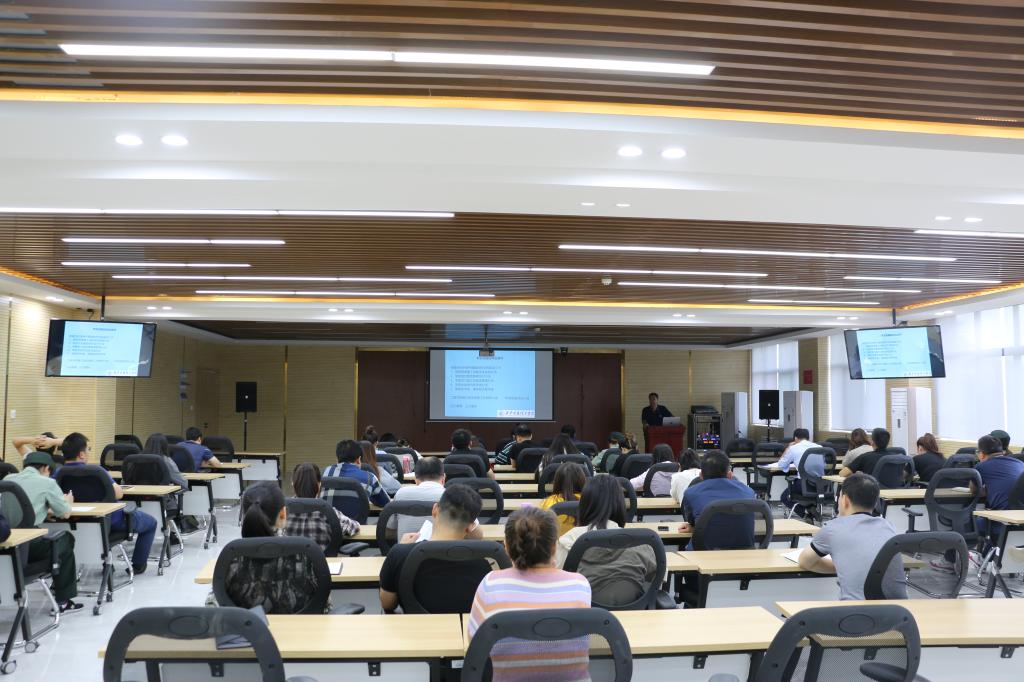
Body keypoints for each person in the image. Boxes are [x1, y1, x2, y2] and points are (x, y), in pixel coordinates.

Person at [468, 507, 591, 682]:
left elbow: (476, 643)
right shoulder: (579, 584)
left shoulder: (491, 584)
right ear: (554, 546)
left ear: (506, 546)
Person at [213, 481, 326, 614]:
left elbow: (216, 604)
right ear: (283, 514)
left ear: (244, 515)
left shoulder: (231, 558)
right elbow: (324, 604)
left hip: (246, 627)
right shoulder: (306, 556)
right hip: (303, 627)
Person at [378, 484, 488, 614]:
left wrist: (401, 549)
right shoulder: (482, 564)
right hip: (462, 627)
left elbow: (387, 603)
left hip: (416, 626)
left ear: (435, 510)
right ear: (470, 527)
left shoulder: (400, 553)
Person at [61, 433, 159, 575]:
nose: (89, 453)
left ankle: (107, 562)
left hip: (73, 521)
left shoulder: (58, 473)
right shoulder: (96, 471)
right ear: (81, 454)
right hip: (111, 520)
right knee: (151, 523)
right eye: (88, 449)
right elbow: (118, 494)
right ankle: (138, 565)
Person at [798, 473, 907, 600]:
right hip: (898, 609)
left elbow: (805, 562)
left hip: (855, 609)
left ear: (845, 500)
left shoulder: (832, 528)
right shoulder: (888, 526)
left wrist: (843, 567)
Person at [556, 474, 658, 606]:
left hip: (583, 616)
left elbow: (556, 580)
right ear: (620, 505)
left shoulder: (568, 541)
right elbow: (658, 579)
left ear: (584, 505)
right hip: (633, 615)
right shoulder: (641, 542)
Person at [6, 451, 82, 612]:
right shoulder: (47, 483)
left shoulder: (8, 479)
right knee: (65, 539)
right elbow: (65, 513)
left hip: (6, 541)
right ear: (46, 468)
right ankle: (63, 600)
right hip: (29, 545)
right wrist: (68, 502)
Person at [679, 450, 756, 550]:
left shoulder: (691, 493)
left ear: (701, 476)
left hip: (703, 555)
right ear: (730, 475)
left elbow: (691, 521)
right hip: (744, 554)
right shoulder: (749, 492)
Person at [283, 462, 359, 552]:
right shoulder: (328, 511)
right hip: (322, 560)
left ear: (293, 485)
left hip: (290, 561)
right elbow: (353, 527)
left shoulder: (282, 511)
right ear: (319, 485)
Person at [973, 434, 1024, 553]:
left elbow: (975, 490)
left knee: (969, 522)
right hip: (1020, 520)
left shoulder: (981, 466)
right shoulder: (1020, 463)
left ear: (981, 454)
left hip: (1002, 522)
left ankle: (952, 559)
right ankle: (988, 555)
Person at [387, 456, 447, 537]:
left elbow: (390, 527)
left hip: (406, 545)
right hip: (440, 545)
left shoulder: (401, 494)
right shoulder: (451, 496)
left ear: (415, 479)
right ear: (444, 478)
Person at [323, 439, 391, 509]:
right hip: (355, 516)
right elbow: (385, 503)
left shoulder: (323, 472)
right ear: (359, 460)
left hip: (326, 516)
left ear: (337, 459)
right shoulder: (370, 478)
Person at [777, 428, 822, 515]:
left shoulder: (793, 448)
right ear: (808, 437)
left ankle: (805, 513)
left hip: (803, 484)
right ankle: (811, 508)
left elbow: (781, 465)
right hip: (821, 485)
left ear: (795, 438)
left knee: (784, 497)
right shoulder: (819, 447)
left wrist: (788, 448)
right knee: (807, 494)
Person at [141, 433, 187, 516]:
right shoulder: (166, 461)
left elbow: (125, 481)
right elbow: (184, 483)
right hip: (162, 505)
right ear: (165, 446)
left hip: (137, 506)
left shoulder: (136, 460)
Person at [539, 462, 586, 535]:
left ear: (556, 482)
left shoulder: (548, 503)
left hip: (555, 541)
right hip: (585, 542)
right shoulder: (591, 502)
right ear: (582, 481)